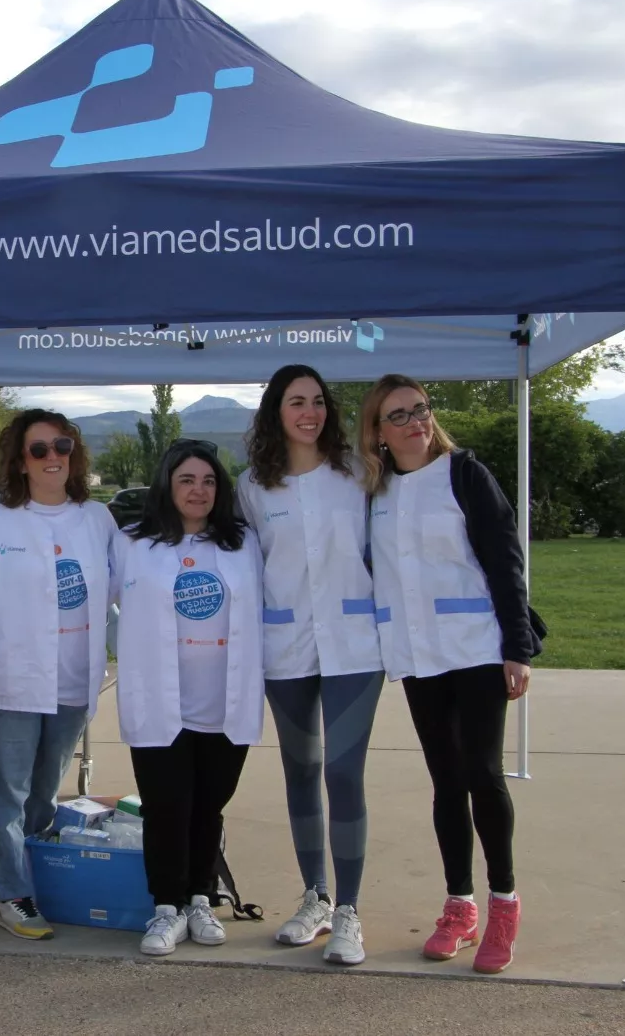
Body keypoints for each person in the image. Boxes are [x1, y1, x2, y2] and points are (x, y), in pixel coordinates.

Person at [359, 374, 540, 975]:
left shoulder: (465, 475)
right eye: (400, 416)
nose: (415, 422)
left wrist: (518, 644)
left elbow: (504, 560)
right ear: (379, 432)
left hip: (477, 649)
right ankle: (459, 905)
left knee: (483, 774)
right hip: (418, 656)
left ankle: (504, 903)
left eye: (421, 410)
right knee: (445, 782)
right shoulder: (375, 491)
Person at [236, 365, 383, 966]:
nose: (310, 412)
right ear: (276, 412)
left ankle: (349, 909)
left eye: (318, 401)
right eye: (297, 402)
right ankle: (315, 898)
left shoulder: (358, 474)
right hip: (286, 647)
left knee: (343, 774)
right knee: (301, 770)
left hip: (354, 646)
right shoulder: (252, 487)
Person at [112, 438, 264, 957]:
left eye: (208, 481)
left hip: (224, 699)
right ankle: (166, 907)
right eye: (186, 480)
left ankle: (201, 896)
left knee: (209, 806)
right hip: (160, 700)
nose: (198, 490)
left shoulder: (242, 543)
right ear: (167, 486)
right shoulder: (134, 543)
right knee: (166, 806)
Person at [0, 409, 118, 940]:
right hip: (10, 680)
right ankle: (12, 895)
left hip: (72, 680)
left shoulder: (96, 518)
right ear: (19, 460)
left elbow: (128, 585)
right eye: (39, 449)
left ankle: (35, 879)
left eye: (61, 445)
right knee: (8, 795)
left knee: (44, 793)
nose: (52, 456)